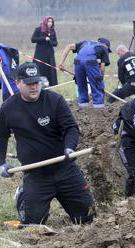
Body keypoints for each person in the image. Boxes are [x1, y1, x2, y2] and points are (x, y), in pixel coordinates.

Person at [0, 62, 94, 224]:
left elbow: (71, 128)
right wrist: (1, 162)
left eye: (36, 82)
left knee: (86, 217)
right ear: (18, 83)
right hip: (36, 174)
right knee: (32, 222)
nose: (34, 87)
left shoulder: (54, 100)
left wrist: (69, 148)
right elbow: (1, 137)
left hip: (65, 169)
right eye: (29, 83)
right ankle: (24, 195)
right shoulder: (8, 108)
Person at [59, 38, 111, 109]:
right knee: (97, 86)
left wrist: (61, 63)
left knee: (81, 85)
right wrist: (100, 79)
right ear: (106, 45)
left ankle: (83, 109)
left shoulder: (85, 42)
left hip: (77, 62)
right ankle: (99, 110)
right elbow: (102, 67)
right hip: (91, 62)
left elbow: (69, 46)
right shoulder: (104, 48)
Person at [31, 16, 58, 86]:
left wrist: (50, 41)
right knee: (40, 69)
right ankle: (38, 84)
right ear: (45, 22)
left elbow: (55, 43)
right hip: (40, 54)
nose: (50, 23)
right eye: (49, 21)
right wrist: (43, 38)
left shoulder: (52, 31)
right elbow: (33, 39)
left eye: (51, 22)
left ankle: (51, 84)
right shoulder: (38, 29)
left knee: (50, 70)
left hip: (49, 55)